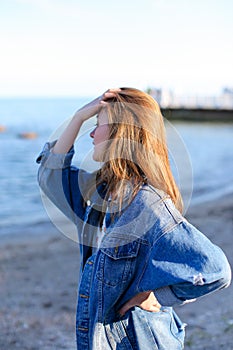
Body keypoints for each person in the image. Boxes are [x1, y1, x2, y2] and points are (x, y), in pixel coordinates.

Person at [37, 87, 231, 350]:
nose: (91, 134)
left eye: (98, 125)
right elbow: (50, 177)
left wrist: (156, 296)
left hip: (139, 341)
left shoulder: (148, 205)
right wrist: (79, 117)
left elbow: (215, 270)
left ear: (121, 132)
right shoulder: (100, 195)